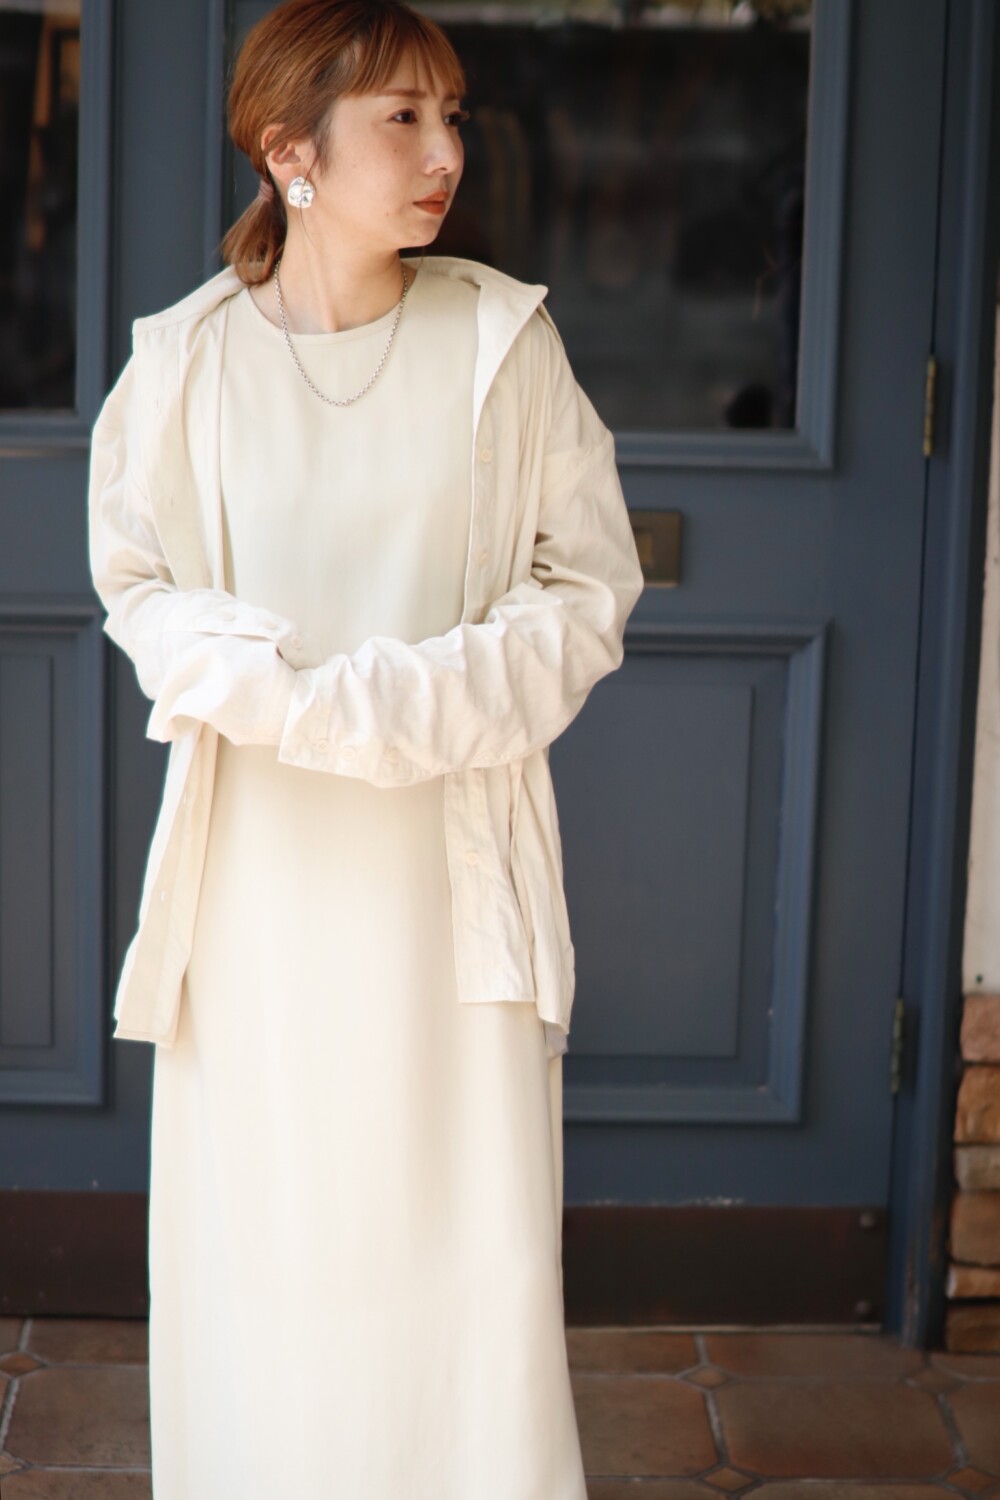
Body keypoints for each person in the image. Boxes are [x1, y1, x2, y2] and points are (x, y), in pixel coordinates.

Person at [87, 0, 645, 1493]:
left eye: (449, 114)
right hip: (258, 896)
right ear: (292, 152)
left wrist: (383, 705)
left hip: (447, 895)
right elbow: (140, 588)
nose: (444, 150)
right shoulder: (185, 364)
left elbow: (586, 592)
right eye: (402, 117)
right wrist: (274, 694)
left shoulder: (503, 344)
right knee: (269, 1272)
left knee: (463, 1278)